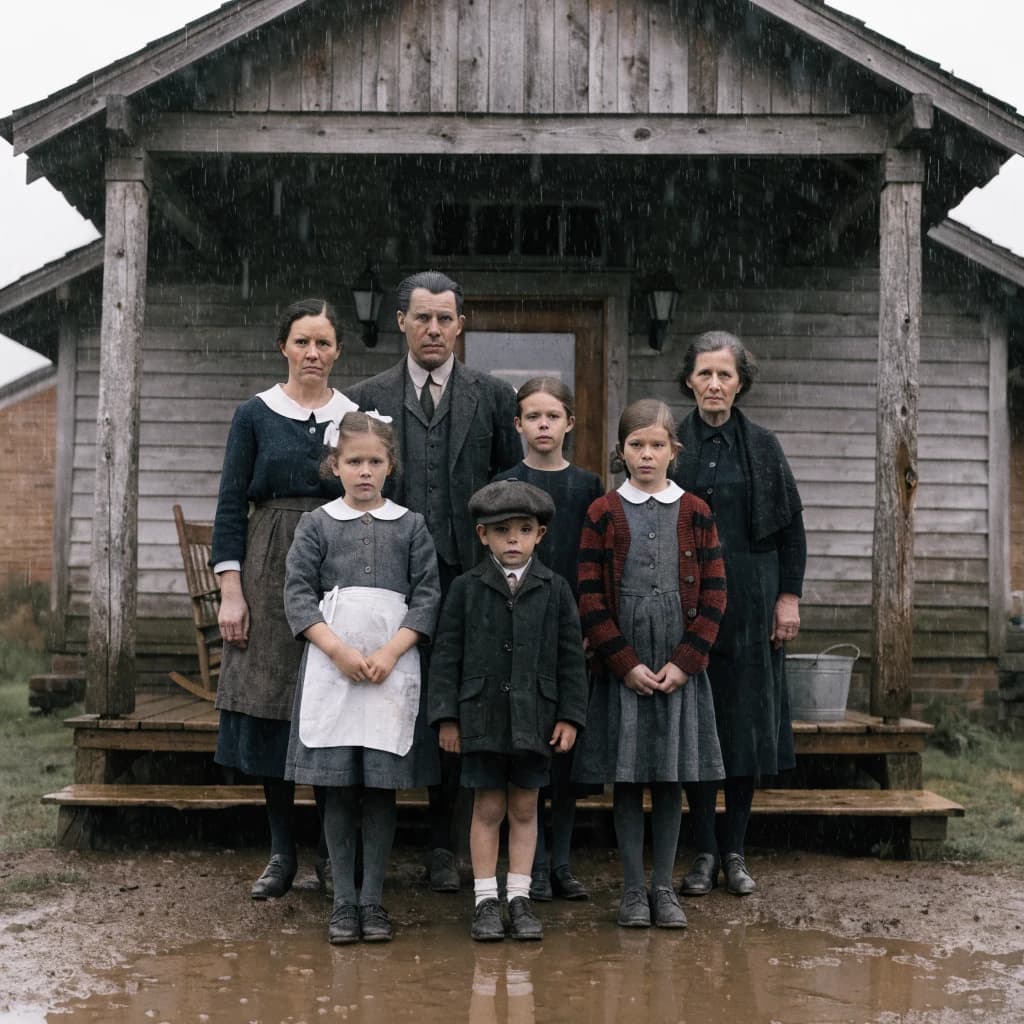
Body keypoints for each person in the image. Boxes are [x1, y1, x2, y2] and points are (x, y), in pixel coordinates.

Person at [345, 270, 522, 892]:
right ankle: (372, 842)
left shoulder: (491, 396)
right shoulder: (366, 398)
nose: (434, 329)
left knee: (453, 700)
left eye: (445, 318)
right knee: (382, 695)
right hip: (385, 576)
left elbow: (507, 491)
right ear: (401, 322)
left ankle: (446, 846)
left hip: (464, 574)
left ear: (460, 325)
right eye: (422, 317)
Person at [211, 298, 357, 900]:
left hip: (337, 561)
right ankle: (281, 851)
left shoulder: (355, 416)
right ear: (284, 347)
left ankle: (330, 851)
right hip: (269, 563)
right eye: (302, 342)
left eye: (323, 343)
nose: (313, 354)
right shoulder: (255, 415)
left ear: (337, 351)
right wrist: (231, 592)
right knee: (274, 704)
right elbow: (228, 506)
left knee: (327, 704)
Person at [283, 412, 440, 944]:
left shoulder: (411, 525)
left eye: (375, 461)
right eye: (354, 462)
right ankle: (342, 902)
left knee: (379, 789)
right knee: (340, 789)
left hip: (391, 673)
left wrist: (394, 650)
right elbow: (298, 595)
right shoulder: (318, 524)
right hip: (335, 671)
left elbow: (427, 596)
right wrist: (337, 650)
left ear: (390, 466)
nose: (365, 471)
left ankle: (373, 899)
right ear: (335, 466)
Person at [574, 399, 726, 929]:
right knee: (629, 776)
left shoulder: (697, 513)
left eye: (657, 445)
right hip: (628, 662)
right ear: (621, 452)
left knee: (669, 776)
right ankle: (633, 890)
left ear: (673, 452)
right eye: (636, 445)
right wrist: (624, 663)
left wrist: (686, 662)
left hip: (678, 663)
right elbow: (590, 597)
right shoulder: (603, 512)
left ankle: (664, 887)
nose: (646, 455)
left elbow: (714, 596)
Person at [670, 330, 806, 898]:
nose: (714, 384)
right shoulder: (669, 441)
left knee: (745, 729)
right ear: (689, 381)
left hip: (751, 599)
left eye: (725, 374)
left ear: (741, 382)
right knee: (698, 726)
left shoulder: (765, 446)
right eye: (704, 374)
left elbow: (792, 529)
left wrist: (788, 597)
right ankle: (702, 850)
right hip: (685, 598)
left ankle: (735, 850)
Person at [428, 479, 589, 942]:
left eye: (524, 529)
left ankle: (519, 898)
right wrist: (447, 717)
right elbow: (446, 655)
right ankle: (484, 900)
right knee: (487, 806)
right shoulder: (465, 588)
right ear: (483, 536)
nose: (513, 540)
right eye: (502, 531)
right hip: (480, 719)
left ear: (540, 534)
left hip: (534, 719)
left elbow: (570, 660)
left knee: (524, 806)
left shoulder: (555, 590)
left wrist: (569, 716)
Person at [492, 376, 603, 903]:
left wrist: (587, 627)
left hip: (570, 632)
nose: (542, 426)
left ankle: (561, 861)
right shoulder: (506, 484)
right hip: (519, 632)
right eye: (532, 417)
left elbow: (594, 561)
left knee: (565, 753)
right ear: (518, 424)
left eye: (552, 416)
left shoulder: (586, 486)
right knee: (525, 753)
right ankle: (528, 867)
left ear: (569, 423)